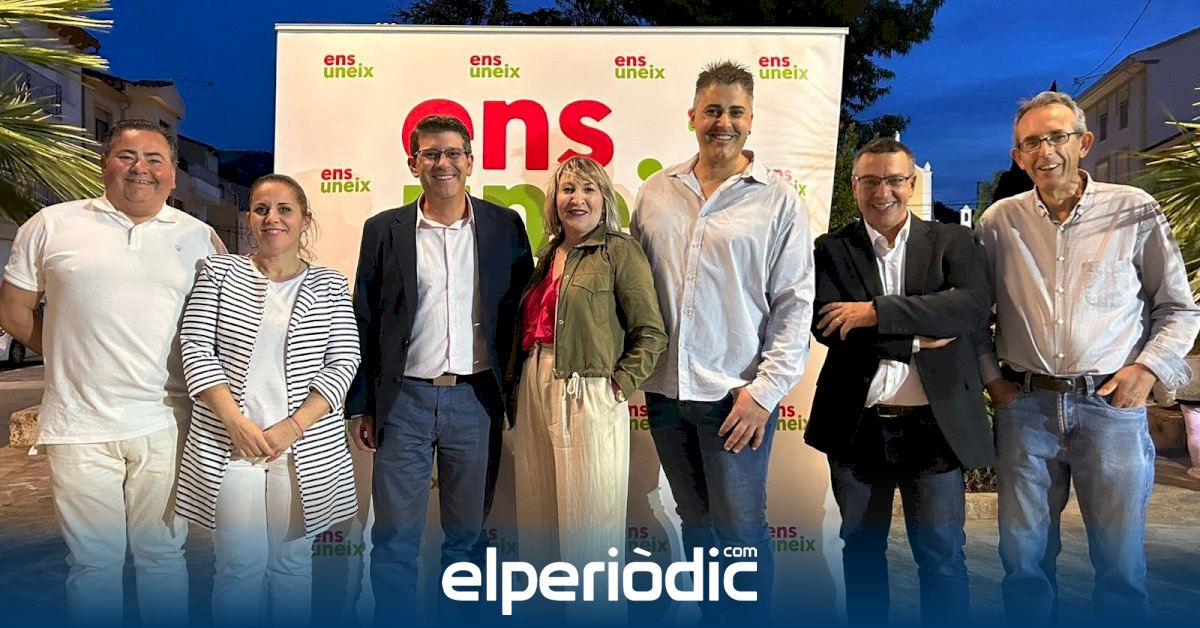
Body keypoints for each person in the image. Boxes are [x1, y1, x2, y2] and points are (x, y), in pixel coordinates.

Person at [975, 91, 1200, 624]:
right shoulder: (999, 222)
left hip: (1110, 408)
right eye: (1031, 142)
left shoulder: (1133, 210)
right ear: (1017, 156)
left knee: (1120, 564)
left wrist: (1147, 370)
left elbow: (1178, 307)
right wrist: (992, 379)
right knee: (1024, 561)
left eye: (1057, 137)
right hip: (1025, 407)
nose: (1045, 151)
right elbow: (973, 312)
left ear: (1084, 142)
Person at [0, 119, 224, 626]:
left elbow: (220, 327)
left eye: (154, 159)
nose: (140, 168)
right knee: (93, 563)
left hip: (167, 423)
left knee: (162, 556)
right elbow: (13, 310)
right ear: (105, 165)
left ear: (172, 175)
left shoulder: (200, 238)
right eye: (127, 156)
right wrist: (65, 350)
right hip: (79, 424)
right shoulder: (52, 224)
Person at [630, 60, 814, 620]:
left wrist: (763, 395)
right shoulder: (656, 192)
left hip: (736, 399)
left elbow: (794, 305)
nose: (723, 122)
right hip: (665, 393)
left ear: (751, 120)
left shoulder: (778, 200)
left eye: (735, 112)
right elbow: (633, 287)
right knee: (697, 523)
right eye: (712, 110)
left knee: (740, 532)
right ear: (692, 116)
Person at [345, 115, 533, 622]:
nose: (442, 163)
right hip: (402, 401)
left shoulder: (505, 226)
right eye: (430, 154)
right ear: (413, 164)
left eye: (452, 153)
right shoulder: (383, 230)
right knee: (394, 539)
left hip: (476, 400)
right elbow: (364, 318)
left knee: (467, 538)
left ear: (470, 161)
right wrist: (362, 405)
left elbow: (522, 311)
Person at [806, 137, 992, 625]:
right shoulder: (832, 248)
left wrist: (874, 313)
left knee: (942, 555)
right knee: (861, 550)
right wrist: (914, 340)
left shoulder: (952, 240)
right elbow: (827, 325)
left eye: (893, 180)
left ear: (911, 184)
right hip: (856, 425)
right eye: (869, 181)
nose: (881, 192)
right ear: (854, 186)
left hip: (935, 426)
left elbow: (970, 308)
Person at [172, 174, 361, 626]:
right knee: (238, 567)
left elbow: (344, 360)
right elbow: (195, 347)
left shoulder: (330, 284)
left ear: (304, 220)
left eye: (284, 209)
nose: (272, 218)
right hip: (229, 444)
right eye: (261, 209)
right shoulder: (219, 272)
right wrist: (234, 421)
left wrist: (293, 427)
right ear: (249, 219)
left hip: (302, 447)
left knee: (292, 566)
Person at [509, 155, 666, 613]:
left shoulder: (619, 250)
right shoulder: (546, 255)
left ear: (603, 199)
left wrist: (617, 386)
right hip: (534, 384)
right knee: (538, 523)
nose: (576, 199)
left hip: (589, 389)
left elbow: (651, 332)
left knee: (589, 527)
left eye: (588, 189)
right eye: (567, 189)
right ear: (554, 201)